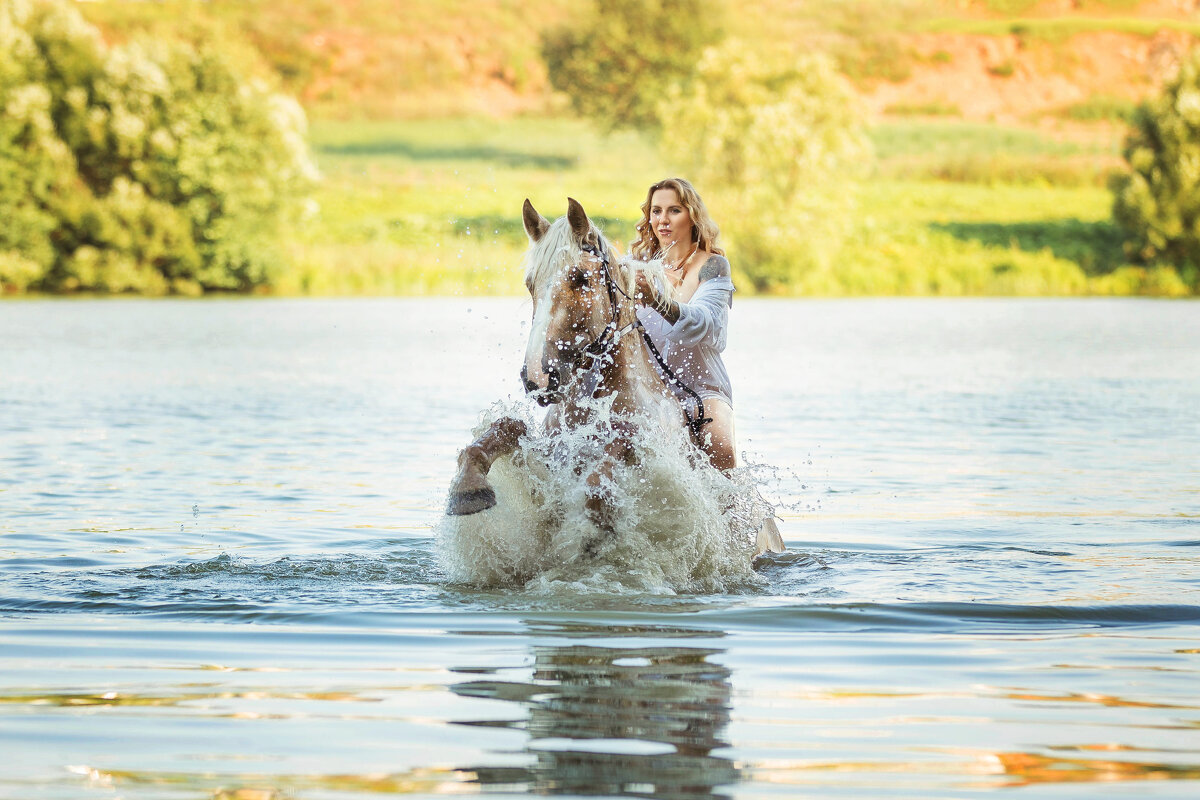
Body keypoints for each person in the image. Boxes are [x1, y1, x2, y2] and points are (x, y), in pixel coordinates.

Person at [630, 178, 737, 471]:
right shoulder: (634, 269)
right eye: (656, 211)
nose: (662, 220)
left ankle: (732, 513)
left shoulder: (713, 266)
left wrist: (656, 301)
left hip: (704, 390)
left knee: (720, 445)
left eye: (674, 210)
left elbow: (704, 326)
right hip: (650, 395)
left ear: (692, 216)